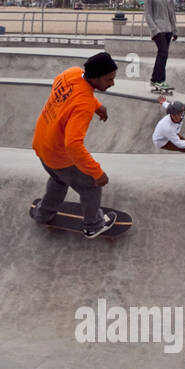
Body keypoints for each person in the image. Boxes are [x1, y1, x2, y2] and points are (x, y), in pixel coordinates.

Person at [29, 51, 118, 238]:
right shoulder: (83, 105)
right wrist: (97, 172)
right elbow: (73, 145)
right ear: (95, 78)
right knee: (92, 186)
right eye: (108, 80)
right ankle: (93, 225)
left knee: (59, 180)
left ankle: (43, 214)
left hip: (42, 144)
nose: (112, 84)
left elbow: (70, 93)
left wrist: (97, 105)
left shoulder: (72, 73)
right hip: (60, 155)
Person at [145, 0, 177, 92]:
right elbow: (148, 15)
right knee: (163, 53)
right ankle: (159, 80)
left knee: (163, 54)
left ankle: (156, 79)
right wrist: (155, 30)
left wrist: (175, 30)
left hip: (168, 29)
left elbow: (172, 14)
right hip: (158, 30)